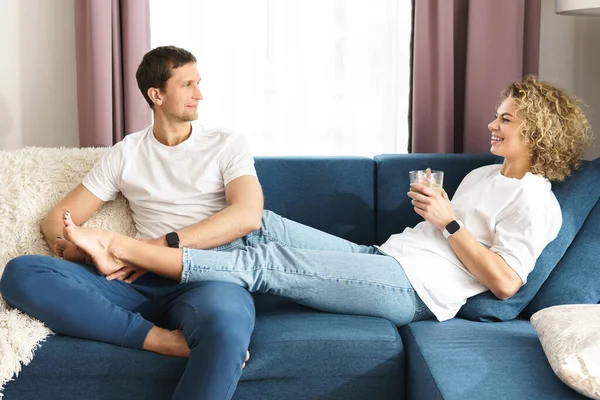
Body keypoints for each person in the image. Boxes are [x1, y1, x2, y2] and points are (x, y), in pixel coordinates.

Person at [46, 76, 593, 328]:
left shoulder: (537, 201)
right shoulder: (483, 174)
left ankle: (123, 250)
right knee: (264, 227)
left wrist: (449, 223)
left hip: (415, 292)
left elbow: (505, 283)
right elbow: (449, 227)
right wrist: (439, 209)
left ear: (538, 132)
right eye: (497, 115)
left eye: (506, 119)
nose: (492, 124)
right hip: (388, 259)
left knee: (267, 264)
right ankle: (137, 257)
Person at [0, 46, 263, 400]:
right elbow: (56, 219)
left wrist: (151, 248)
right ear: (156, 94)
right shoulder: (127, 152)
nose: (199, 94)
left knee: (226, 332)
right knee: (22, 273)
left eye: (198, 83)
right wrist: (74, 248)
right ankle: (163, 340)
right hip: (137, 283)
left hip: (207, 277)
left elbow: (247, 214)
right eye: (187, 85)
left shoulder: (226, 144)